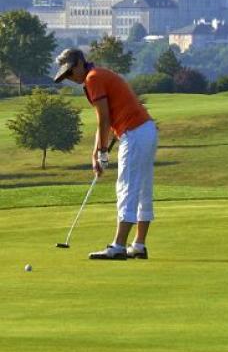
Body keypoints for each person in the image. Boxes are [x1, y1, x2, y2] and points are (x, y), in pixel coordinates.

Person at [54, 47, 158, 261]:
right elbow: (106, 120)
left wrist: (102, 151)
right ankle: (138, 245)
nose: (70, 78)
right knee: (142, 189)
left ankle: (118, 246)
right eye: (66, 75)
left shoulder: (93, 79)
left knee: (127, 187)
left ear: (80, 64)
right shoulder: (98, 75)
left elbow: (104, 119)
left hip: (135, 133)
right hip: (145, 130)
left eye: (70, 72)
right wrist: (96, 153)